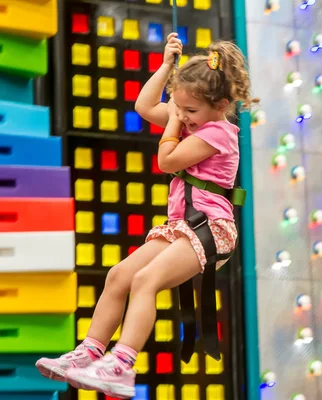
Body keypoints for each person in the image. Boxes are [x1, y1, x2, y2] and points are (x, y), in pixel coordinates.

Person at [35, 32, 257, 398]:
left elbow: (166, 160)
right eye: (181, 109)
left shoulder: (219, 132)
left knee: (146, 280)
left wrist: (173, 121)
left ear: (219, 105)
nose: (183, 116)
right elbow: (143, 105)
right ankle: (89, 351)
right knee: (120, 274)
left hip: (211, 229)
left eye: (190, 111)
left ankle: (121, 364)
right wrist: (167, 66)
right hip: (180, 227)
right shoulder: (194, 122)